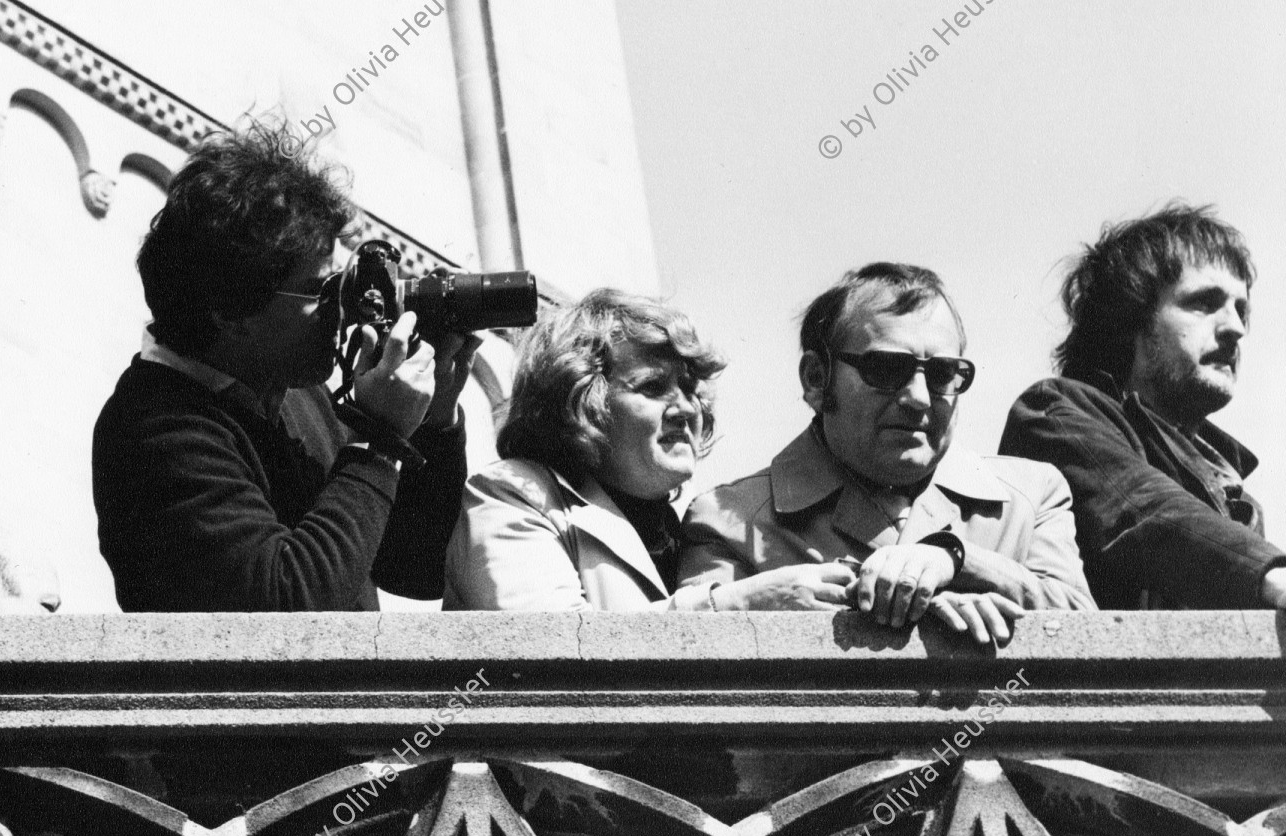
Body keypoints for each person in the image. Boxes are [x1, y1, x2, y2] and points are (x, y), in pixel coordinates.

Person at [92, 122, 477, 611]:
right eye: (320, 290)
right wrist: (379, 440)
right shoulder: (153, 428)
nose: (344, 305)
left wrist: (434, 420)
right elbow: (286, 611)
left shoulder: (295, 393)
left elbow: (413, 568)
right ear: (230, 310)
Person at [680, 262, 1094, 644]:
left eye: (942, 374)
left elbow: (1091, 638)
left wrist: (956, 562)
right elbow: (691, 664)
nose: (917, 398)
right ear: (816, 378)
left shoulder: (1030, 497)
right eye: (886, 370)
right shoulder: (728, 522)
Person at [1000, 204, 1286, 609]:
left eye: (1241, 309)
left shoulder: (1233, 487)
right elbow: (1140, 511)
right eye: (1204, 303)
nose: (1235, 328)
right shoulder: (1055, 412)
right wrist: (1270, 575)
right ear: (1132, 319)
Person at [444, 289, 728, 610]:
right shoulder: (510, 496)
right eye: (652, 387)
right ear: (581, 402)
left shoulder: (699, 526)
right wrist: (724, 605)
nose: (686, 409)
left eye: (689, 389)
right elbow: (549, 646)